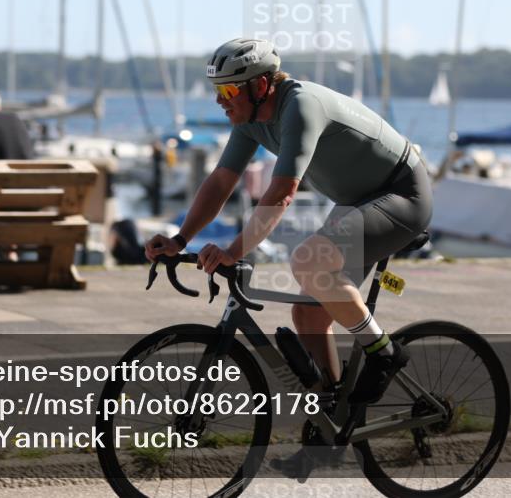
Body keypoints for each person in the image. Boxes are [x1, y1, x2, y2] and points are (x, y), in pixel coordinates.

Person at [146, 38, 432, 406]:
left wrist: (234, 252)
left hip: (402, 194)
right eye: (217, 90)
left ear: (261, 85)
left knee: (308, 260)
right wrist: (180, 239)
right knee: (309, 317)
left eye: (229, 89)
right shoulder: (250, 121)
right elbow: (221, 181)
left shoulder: (300, 106)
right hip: (356, 201)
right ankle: (334, 412)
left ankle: (384, 352)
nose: (221, 100)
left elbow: (281, 193)